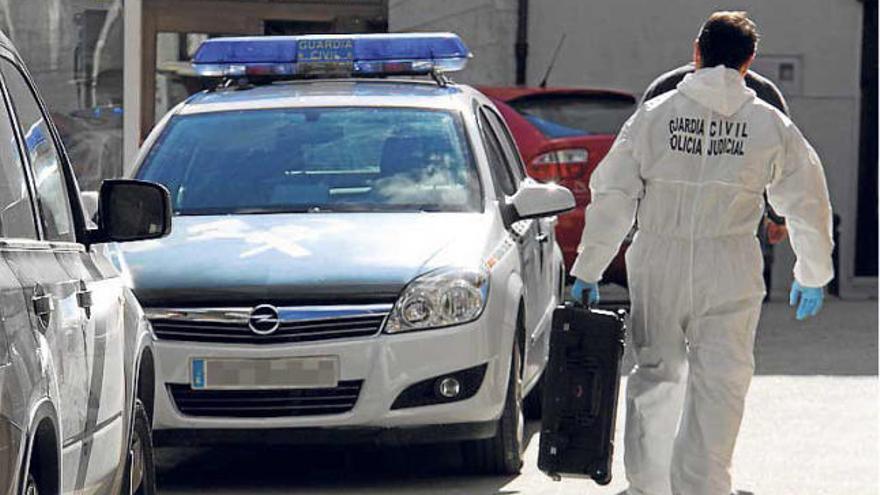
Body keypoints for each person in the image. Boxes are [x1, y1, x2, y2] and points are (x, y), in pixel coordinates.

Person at [569, 11, 833, 495]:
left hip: (659, 259)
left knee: (658, 373)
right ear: (749, 62)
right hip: (730, 262)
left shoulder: (654, 116)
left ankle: (649, 486)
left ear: (696, 51)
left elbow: (614, 196)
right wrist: (813, 270)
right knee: (721, 381)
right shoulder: (768, 124)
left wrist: (588, 266)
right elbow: (807, 199)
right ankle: (705, 487)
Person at [642, 61, 791, 300]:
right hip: (734, 228)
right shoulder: (762, 92)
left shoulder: (666, 87)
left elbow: (642, 155)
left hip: (672, 224)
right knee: (725, 320)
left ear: (698, 50)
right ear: (749, 55)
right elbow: (779, 163)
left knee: (669, 313)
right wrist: (778, 217)